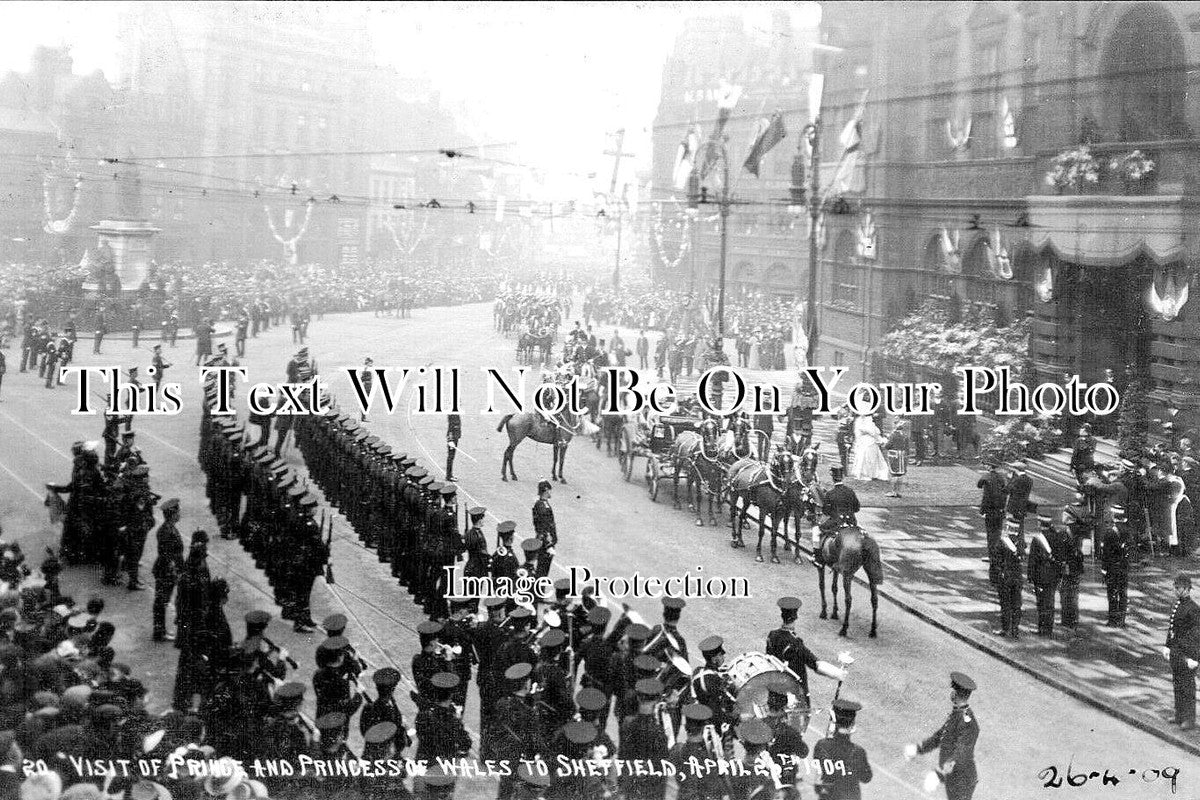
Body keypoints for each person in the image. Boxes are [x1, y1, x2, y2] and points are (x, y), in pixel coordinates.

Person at [905, 672, 979, 800]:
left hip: (962, 780)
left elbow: (961, 753)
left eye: (953, 690)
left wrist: (939, 774)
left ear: (955, 693)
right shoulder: (957, 714)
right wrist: (919, 748)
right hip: (953, 776)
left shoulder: (967, 721)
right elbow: (940, 736)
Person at [812, 698, 872, 799]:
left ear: (833, 722)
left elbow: (819, 776)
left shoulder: (821, 745)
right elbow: (866, 778)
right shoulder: (859, 751)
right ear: (852, 724)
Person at [1163, 574, 1200, 729]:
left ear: (1186, 589)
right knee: (1177, 684)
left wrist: (1194, 658)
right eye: (1175, 587)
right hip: (1177, 653)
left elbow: (1196, 636)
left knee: (1187, 686)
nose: (1175, 590)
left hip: (1187, 655)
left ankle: (1189, 719)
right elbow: (1172, 628)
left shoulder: (1193, 609)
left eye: (1177, 588)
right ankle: (1179, 715)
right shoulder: (1178, 605)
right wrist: (1167, 645)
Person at [151, 499, 184, 642]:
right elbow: (168, 555)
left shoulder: (168, 528)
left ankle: (160, 630)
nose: (179, 514)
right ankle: (159, 632)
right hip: (166, 571)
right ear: (173, 514)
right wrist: (175, 572)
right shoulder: (167, 531)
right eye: (178, 511)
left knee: (162, 601)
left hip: (165, 569)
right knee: (161, 601)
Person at [1099, 505, 1132, 627]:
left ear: (1114, 516)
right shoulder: (1128, 531)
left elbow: (1106, 554)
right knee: (1123, 593)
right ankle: (1122, 620)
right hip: (1123, 567)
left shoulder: (1110, 533)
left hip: (1112, 568)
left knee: (1112, 593)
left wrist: (1103, 570)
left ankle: (1113, 620)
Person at [849, 414, 890, 481]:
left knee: (871, 458)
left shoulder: (867, 422)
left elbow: (875, 433)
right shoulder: (862, 423)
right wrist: (881, 440)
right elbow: (873, 433)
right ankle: (866, 474)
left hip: (870, 442)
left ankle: (873, 473)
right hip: (866, 442)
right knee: (867, 458)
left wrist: (880, 439)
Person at [532, 480, 557, 579]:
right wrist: (549, 545)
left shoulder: (541, 503)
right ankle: (538, 592)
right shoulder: (543, 507)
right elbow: (544, 527)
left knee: (542, 571)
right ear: (546, 490)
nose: (550, 493)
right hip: (545, 543)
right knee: (542, 572)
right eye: (549, 490)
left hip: (543, 541)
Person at [884, 420, 910, 498]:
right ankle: (897, 491)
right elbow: (907, 447)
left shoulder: (894, 435)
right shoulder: (905, 435)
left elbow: (888, 445)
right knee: (900, 474)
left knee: (894, 474)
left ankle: (893, 491)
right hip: (903, 455)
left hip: (894, 455)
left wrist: (885, 443)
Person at [445, 412, 461, 482]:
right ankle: (449, 476)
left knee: (451, 457)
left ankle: (449, 475)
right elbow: (450, 427)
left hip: (455, 437)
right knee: (451, 457)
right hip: (453, 438)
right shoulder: (453, 414)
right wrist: (450, 440)